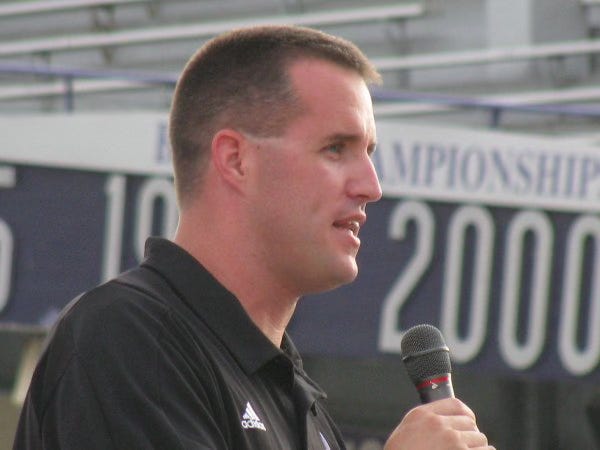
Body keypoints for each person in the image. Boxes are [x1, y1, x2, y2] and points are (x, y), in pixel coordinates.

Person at [13, 25, 494, 449]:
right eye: (335, 148)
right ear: (236, 160)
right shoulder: (126, 337)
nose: (371, 186)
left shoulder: (294, 395)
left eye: (368, 152)